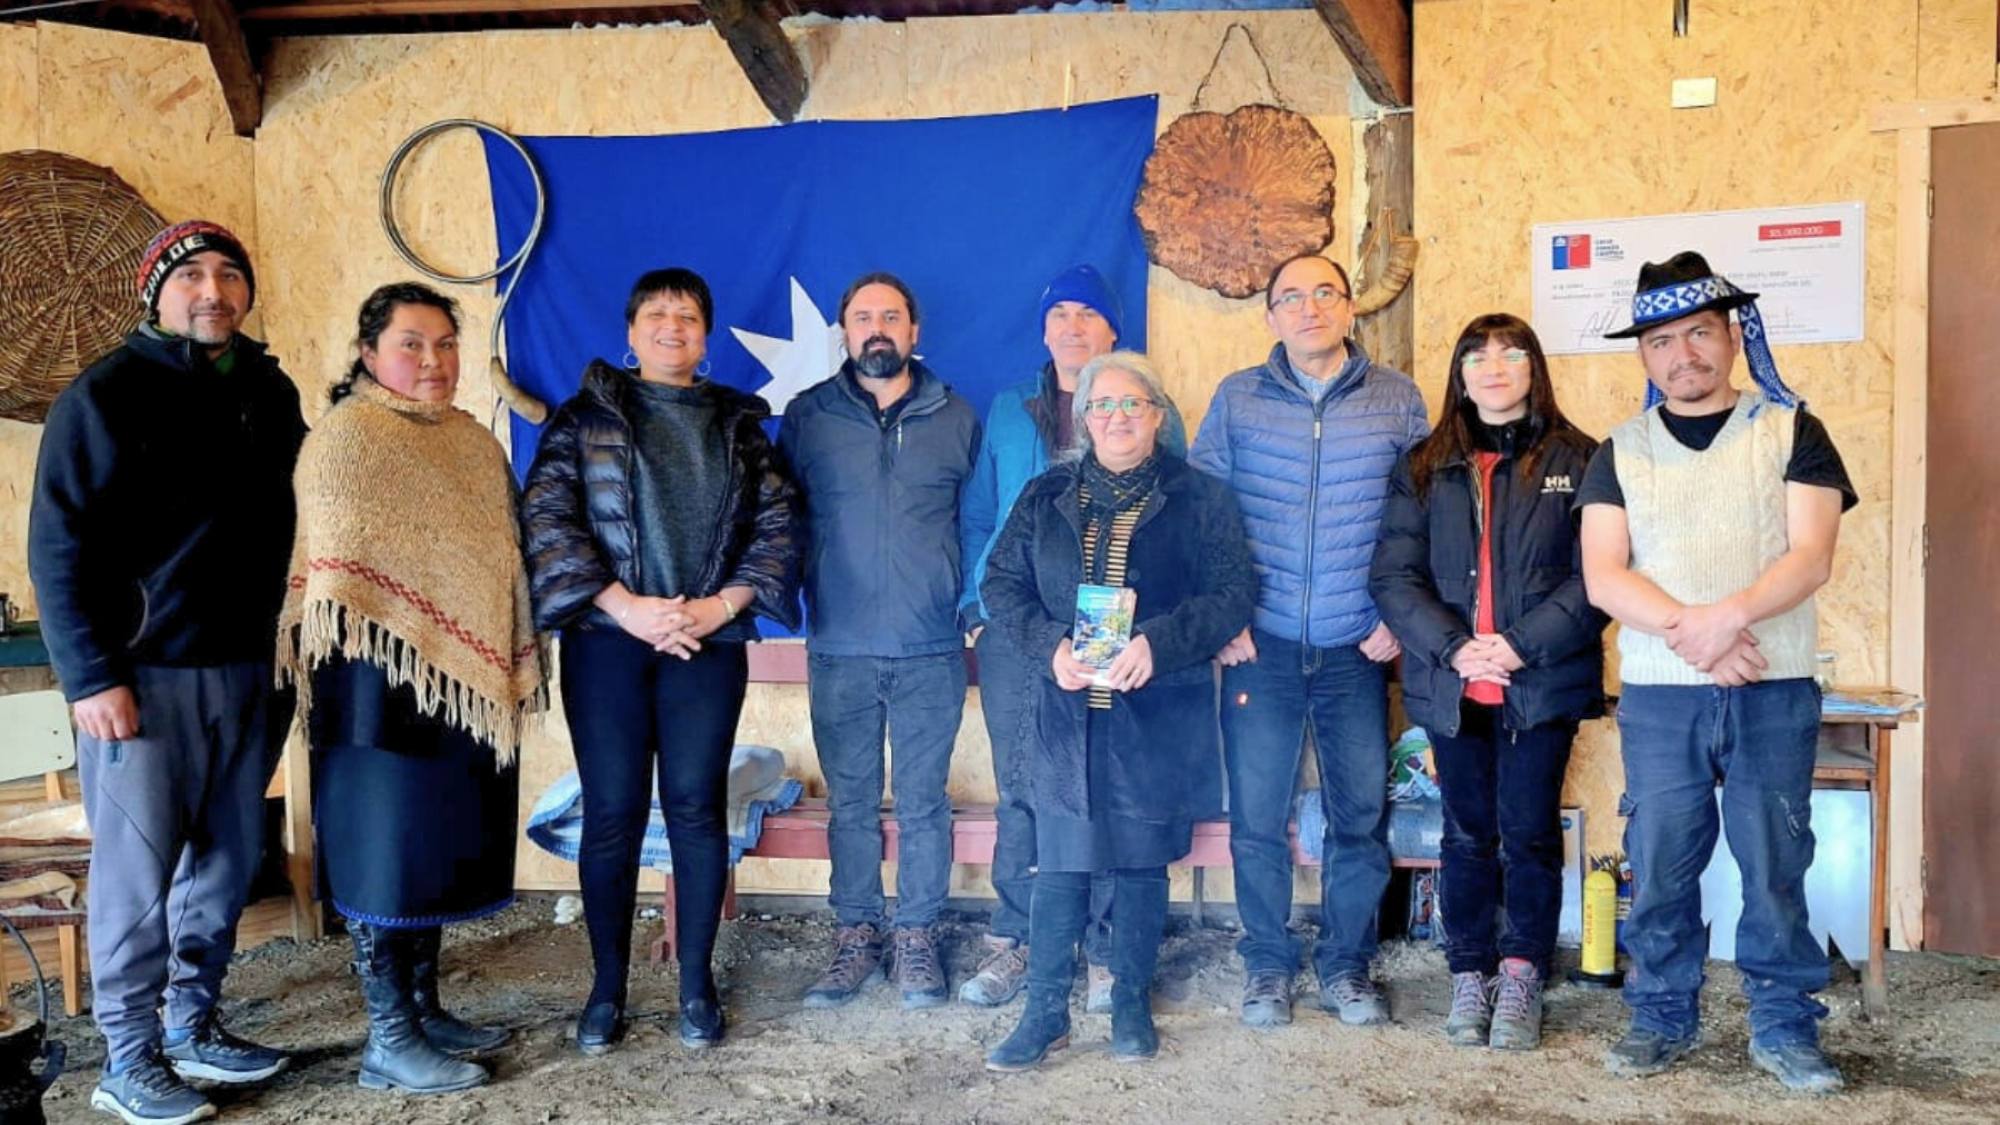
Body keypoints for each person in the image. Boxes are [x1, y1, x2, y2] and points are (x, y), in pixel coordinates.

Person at [29, 219, 304, 1124]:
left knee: (227, 863)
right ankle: (129, 1055)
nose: (213, 290)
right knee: (138, 874)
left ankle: (193, 1025)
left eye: (230, 274)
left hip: (248, 668)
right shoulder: (103, 395)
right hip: (140, 678)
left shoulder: (269, 391)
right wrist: (88, 676)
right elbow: (57, 548)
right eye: (191, 274)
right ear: (155, 291)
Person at [1578, 251, 1856, 1094]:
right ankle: (1661, 1011)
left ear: (1732, 336)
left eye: (1700, 332)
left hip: (1772, 685)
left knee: (1775, 858)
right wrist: (1690, 634)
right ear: (1644, 356)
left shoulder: (1790, 427)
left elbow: (1810, 556)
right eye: (1661, 341)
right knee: (1660, 859)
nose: (1683, 353)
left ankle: (1784, 1023)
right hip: (1664, 696)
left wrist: (1720, 620)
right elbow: (1604, 574)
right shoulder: (1619, 450)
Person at [522, 268, 800, 1055]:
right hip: (609, 643)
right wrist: (625, 606)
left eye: (687, 316)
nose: (673, 325)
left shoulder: (740, 427)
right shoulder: (584, 419)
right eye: (656, 314)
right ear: (631, 331)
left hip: (705, 647)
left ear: (706, 336)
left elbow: (778, 524)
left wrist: (717, 609)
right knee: (611, 815)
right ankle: (606, 988)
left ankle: (695, 983)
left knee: (695, 809)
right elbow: (548, 516)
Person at [279, 282, 545, 1094]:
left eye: (445, 344)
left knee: (432, 847)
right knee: (384, 854)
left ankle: (424, 1008)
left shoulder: (472, 443)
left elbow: (499, 554)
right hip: (371, 688)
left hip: (458, 684)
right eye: (410, 344)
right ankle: (387, 1038)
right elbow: (335, 572)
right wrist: (410, 630)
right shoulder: (345, 440)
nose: (433, 361)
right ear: (368, 354)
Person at [980, 350, 1254, 1070]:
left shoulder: (1202, 499)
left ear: (1159, 416)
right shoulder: (1046, 495)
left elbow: (1232, 596)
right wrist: (1050, 646)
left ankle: (1129, 1001)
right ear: (1083, 418)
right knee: (1062, 864)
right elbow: (1001, 585)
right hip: (1069, 711)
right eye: (1103, 405)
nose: (1117, 417)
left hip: (1157, 710)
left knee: (1137, 864)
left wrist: (1159, 644)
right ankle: (1045, 1013)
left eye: (1133, 404)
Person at [1188, 252, 1428, 1029]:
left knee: (1359, 816)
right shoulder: (1237, 398)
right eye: (1290, 296)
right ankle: (1266, 963)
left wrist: (1402, 615)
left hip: (1358, 648)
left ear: (1350, 307)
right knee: (1258, 815)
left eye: (1325, 292)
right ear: (1271, 318)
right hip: (1263, 646)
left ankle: (1348, 965)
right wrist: (1220, 619)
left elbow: (1424, 518)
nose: (1309, 307)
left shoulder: (1398, 401)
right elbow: (1202, 515)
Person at [1369, 313, 1605, 1050]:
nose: (1495, 367)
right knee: (1467, 834)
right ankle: (1470, 970)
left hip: (1540, 683)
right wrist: (1454, 647)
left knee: (1529, 833)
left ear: (1534, 367)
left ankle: (1524, 969)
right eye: (1478, 354)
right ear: (1460, 374)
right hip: (1453, 687)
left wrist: (1519, 645)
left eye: (1512, 353)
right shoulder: (1422, 466)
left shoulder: (1583, 457)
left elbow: (1597, 577)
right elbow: (1394, 574)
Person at [956, 265, 1189, 1011]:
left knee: (1106, 788)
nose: (1072, 326)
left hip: (1116, 641)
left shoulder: (1155, 411)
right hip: (1022, 633)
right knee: (1024, 784)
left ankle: (1100, 947)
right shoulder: (1007, 410)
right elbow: (977, 517)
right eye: (1060, 313)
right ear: (1044, 329)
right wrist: (979, 606)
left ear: (1113, 330)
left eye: (1089, 313)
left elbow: (1179, 521)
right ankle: (1017, 937)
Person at [776, 272, 981, 1009]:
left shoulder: (957, 416)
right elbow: (780, 520)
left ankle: (918, 935)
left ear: (915, 330)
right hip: (840, 642)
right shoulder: (809, 417)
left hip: (931, 644)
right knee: (852, 803)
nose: (877, 329)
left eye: (891, 315)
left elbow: (979, 523)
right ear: (844, 331)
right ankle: (856, 934)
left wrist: (973, 602)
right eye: (863, 317)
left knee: (925, 801)